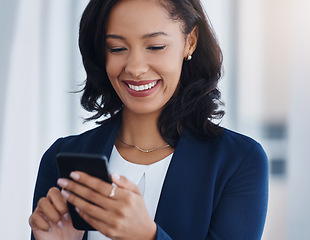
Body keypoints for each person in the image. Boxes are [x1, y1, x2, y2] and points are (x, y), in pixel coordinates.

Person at [29, 0, 269, 239]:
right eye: (116, 48)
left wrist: (146, 236)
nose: (134, 68)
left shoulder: (239, 161)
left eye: (155, 46)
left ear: (190, 41)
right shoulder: (62, 159)